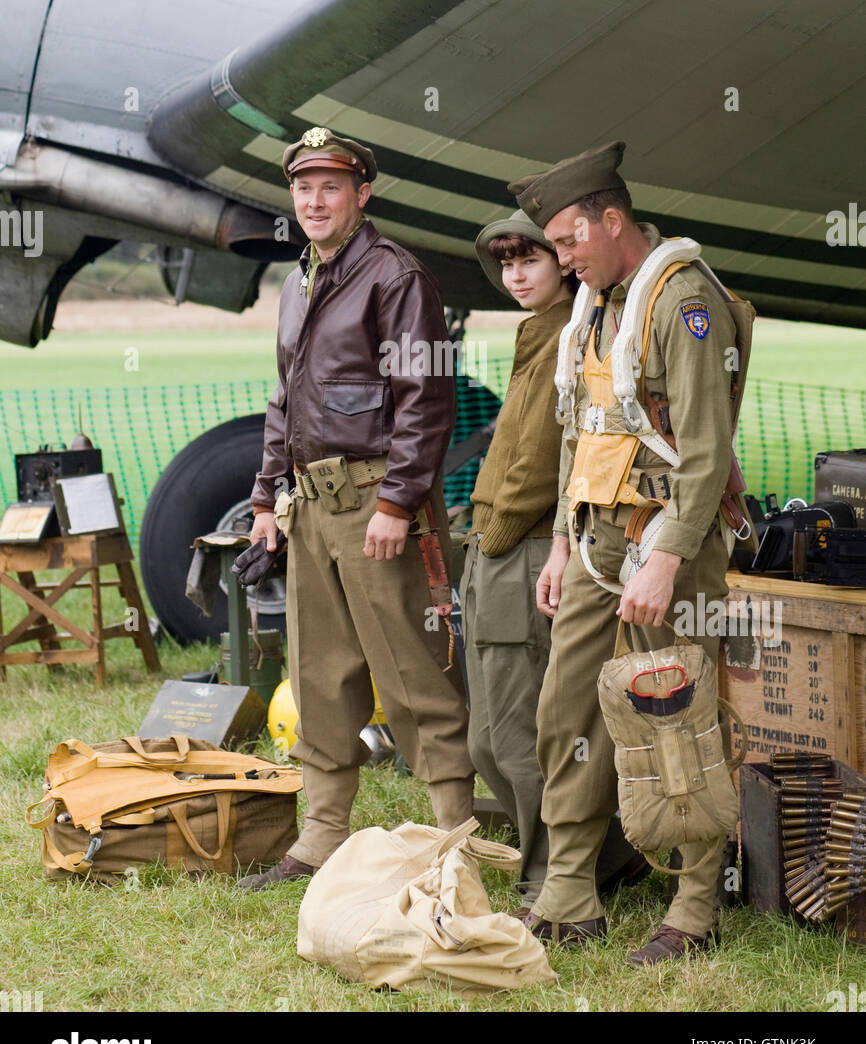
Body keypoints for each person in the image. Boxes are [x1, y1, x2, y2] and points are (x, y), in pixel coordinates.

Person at [507, 139, 751, 963]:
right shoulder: (599, 306)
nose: (561, 258)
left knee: (674, 713)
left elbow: (708, 450)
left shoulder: (684, 301)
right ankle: (570, 892)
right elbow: (583, 436)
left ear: (613, 221)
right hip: (592, 539)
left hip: (663, 543)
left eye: (570, 240)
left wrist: (668, 558)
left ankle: (693, 908)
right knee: (565, 712)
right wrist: (556, 547)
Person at [238, 126, 474, 889]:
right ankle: (321, 836)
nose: (313, 200)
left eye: (330, 186)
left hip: (376, 504)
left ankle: (457, 841)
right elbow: (286, 399)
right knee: (319, 674)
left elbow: (425, 401)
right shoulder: (300, 279)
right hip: (309, 507)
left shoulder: (395, 275)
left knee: (411, 673)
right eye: (303, 187)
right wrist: (266, 499)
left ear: (361, 193)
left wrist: (400, 503)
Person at [463, 211, 647, 910]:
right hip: (495, 542)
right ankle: (606, 857)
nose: (514, 274)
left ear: (563, 263)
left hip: (527, 543)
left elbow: (544, 456)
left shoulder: (571, 337)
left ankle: (559, 878)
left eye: (529, 260)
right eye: (504, 262)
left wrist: (502, 528)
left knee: (522, 735)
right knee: (487, 739)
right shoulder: (541, 332)